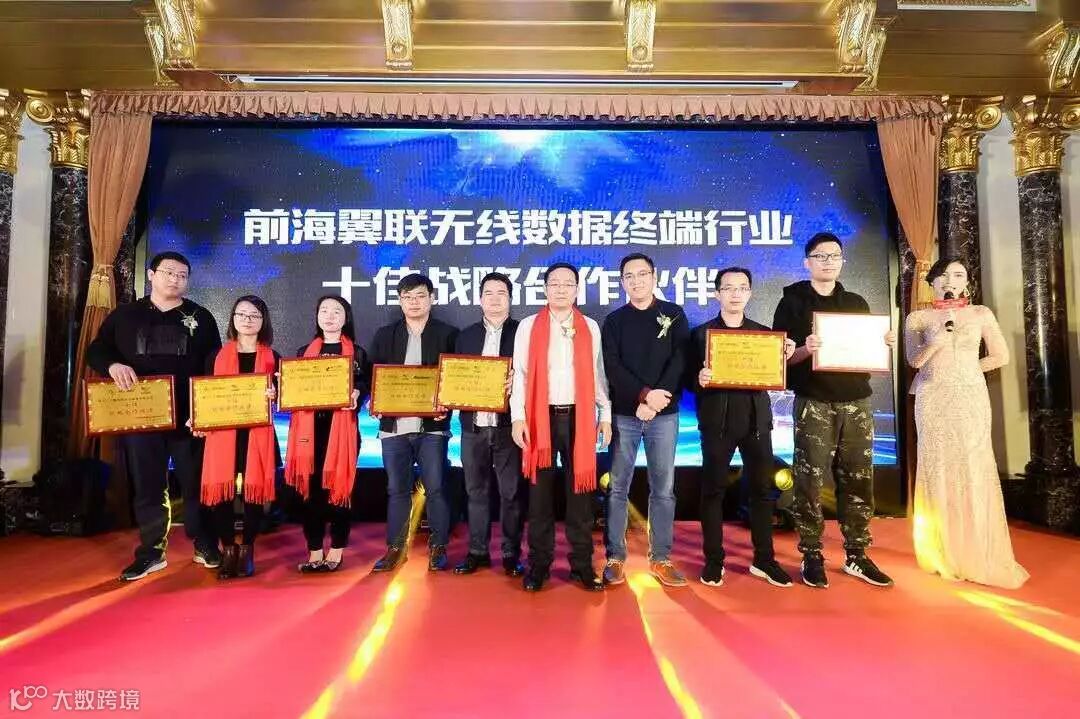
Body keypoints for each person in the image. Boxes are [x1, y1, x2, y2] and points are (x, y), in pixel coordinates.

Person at [87, 251, 222, 581]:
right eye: (169, 273)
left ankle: (205, 543)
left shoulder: (201, 317)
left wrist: (204, 411)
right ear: (151, 275)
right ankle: (151, 552)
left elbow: (213, 367)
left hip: (189, 419)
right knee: (148, 485)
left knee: (196, 483)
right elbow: (97, 350)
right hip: (142, 416)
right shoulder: (125, 315)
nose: (175, 279)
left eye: (182, 275)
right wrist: (112, 365)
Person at [772, 232, 896, 588]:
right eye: (820, 256)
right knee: (809, 480)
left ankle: (857, 554)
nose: (828, 261)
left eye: (834, 255)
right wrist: (806, 350)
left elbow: (867, 353)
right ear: (807, 262)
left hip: (856, 401)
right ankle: (811, 553)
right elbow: (780, 359)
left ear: (842, 260)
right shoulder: (792, 302)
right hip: (814, 401)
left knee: (858, 478)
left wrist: (882, 343)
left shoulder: (855, 302)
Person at [905, 258, 1028, 588]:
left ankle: (977, 551)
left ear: (967, 282)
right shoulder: (918, 318)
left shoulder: (981, 313)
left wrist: (970, 371)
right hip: (932, 396)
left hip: (970, 396)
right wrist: (936, 341)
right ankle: (942, 550)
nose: (950, 281)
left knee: (973, 465)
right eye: (944, 275)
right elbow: (913, 360)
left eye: (958, 275)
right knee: (938, 466)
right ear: (932, 281)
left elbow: (1000, 356)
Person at [690, 267, 796, 588]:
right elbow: (686, 380)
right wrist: (699, 378)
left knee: (762, 491)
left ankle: (764, 560)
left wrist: (785, 357)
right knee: (713, 492)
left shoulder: (765, 336)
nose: (735, 294)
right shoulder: (701, 335)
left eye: (742, 287)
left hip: (756, 424)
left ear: (749, 293)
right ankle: (714, 560)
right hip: (717, 425)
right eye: (728, 288)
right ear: (717, 294)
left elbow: (777, 378)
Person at [511, 262, 612, 592]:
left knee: (580, 496)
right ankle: (539, 565)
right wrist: (517, 417)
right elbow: (520, 375)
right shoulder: (528, 326)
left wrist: (605, 414)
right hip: (540, 418)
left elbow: (598, 375)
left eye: (568, 283)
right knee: (539, 497)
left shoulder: (590, 327)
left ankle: (582, 566)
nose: (561, 289)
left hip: (579, 417)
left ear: (577, 290)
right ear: (544, 289)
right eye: (554, 283)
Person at [601, 253, 689, 587]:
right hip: (626, 414)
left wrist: (654, 400)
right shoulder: (614, 321)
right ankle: (615, 557)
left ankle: (661, 558)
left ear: (654, 277)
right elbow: (612, 367)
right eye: (629, 276)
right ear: (622, 282)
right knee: (617, 487)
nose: (636, 281)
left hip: (663, 414)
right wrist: (642, 396)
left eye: (642, 274)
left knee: (663, 489)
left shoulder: (674, 314)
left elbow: (680, 361)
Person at [369, 274, 459, 573]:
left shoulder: (448, 334)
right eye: (407, 297)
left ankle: (439, 546)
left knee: (436, 488)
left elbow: (455, 379)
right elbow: (374, 377)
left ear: (432, 298)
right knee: (397, 489)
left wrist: (447, 402)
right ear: (399, 301)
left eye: (420, 296)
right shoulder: (385, 334)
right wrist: (374, 400)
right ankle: (395, 548)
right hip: (394, 427)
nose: (414, 302)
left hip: (432, 428)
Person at [197, 295, 280, 579]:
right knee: (224, 492)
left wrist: (276, 394)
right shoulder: (216, 356)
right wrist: (197, 418)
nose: (247, 320)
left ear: (263, 321)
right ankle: (228, 549)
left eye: (254, 315)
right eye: (241, 314)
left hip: (258, 433)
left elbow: (286, 396)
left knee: (254, 493)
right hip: (223, 432)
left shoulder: (274, 357)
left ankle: (247, 550)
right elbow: (205, 395)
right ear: (232, 319)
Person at [286, 295, 367, 573]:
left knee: (340, 489)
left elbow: (365, 385)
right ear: (317, 316)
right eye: (324, 310)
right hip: (309, 432)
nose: (330, 316)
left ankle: (337, 549)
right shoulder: (303, 352)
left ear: (346, 318)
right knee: (310, 493)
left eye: (336, 311)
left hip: (341, 431)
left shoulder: (358, 353)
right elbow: (294, 388)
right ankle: (314, 550)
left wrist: (358, 393)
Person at [453, 272, 526, 577]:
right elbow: (454, 378)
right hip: (473, 426)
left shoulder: (523, 333)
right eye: (488, 293)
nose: (495, 299)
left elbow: (535, 374)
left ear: (510, 298)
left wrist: (518, 380)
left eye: (501, 293)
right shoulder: (465, 336)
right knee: (476, 491)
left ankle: (510, 553)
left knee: (511, 493)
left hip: (510, 426)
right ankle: (477, 552)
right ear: (480, 299)